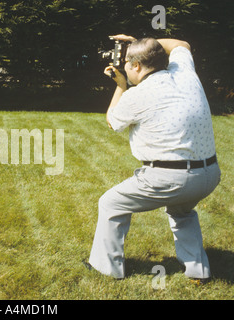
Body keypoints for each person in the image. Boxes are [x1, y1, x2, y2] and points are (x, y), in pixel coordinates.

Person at [85, 35, 221, 283]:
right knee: (182, 212)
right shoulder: (185, 72)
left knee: (111, 203)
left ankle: (106, 269)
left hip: (170, 178)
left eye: (127, 61)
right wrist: (141, 42)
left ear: (136, 66)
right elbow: (182, 45)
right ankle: (198, 271)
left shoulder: (137, 95)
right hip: (209, 174)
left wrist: (120, 86)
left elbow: (112, 121)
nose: (124, 66)